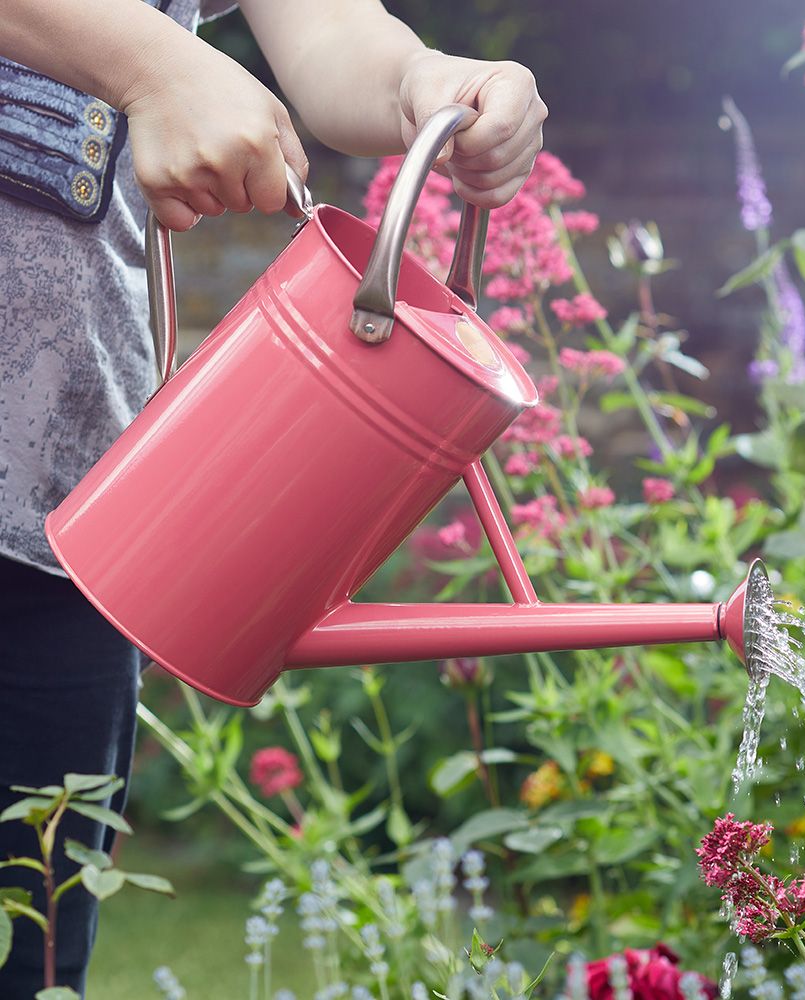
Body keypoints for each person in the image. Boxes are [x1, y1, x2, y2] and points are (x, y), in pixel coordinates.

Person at [0, 0, 547, 993]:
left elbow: (331, 33)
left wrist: (426, 85)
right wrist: (150, 62)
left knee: (26, 959)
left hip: (59, 513)